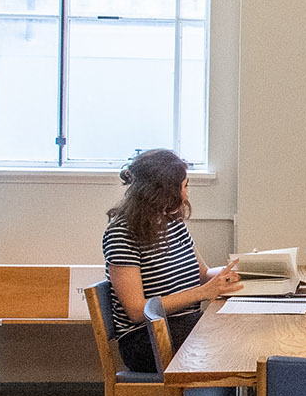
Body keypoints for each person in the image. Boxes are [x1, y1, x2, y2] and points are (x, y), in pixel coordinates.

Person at [102, 149, 242, 373]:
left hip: (182, 325)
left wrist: (245, 269)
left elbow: (203, 274)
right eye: (184, 186)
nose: (186, 194)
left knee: (237, 330)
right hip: (145, 339)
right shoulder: (122, 233)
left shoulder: (173, 224)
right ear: (164, 192)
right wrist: (203, 293)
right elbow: (138, 311)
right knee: (231, 340)